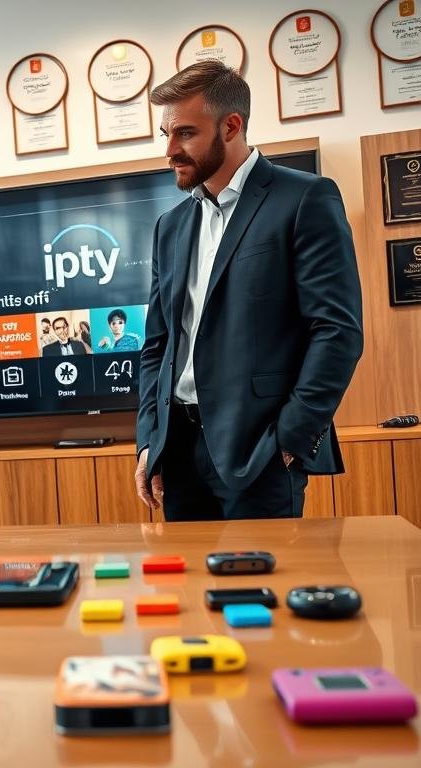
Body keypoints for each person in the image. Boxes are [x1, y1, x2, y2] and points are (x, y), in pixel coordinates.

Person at [135, 61, 363, 521]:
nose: (170, 150)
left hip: (262, 453)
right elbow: (158, 345)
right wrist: (149, 439)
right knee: (191, 593)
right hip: (177, 453)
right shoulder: (170, 226)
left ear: (231, 126)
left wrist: (292, 438)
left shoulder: (304, 199)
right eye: (166, 134)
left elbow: (337, 331)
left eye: (184, 133)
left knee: (262, 593)